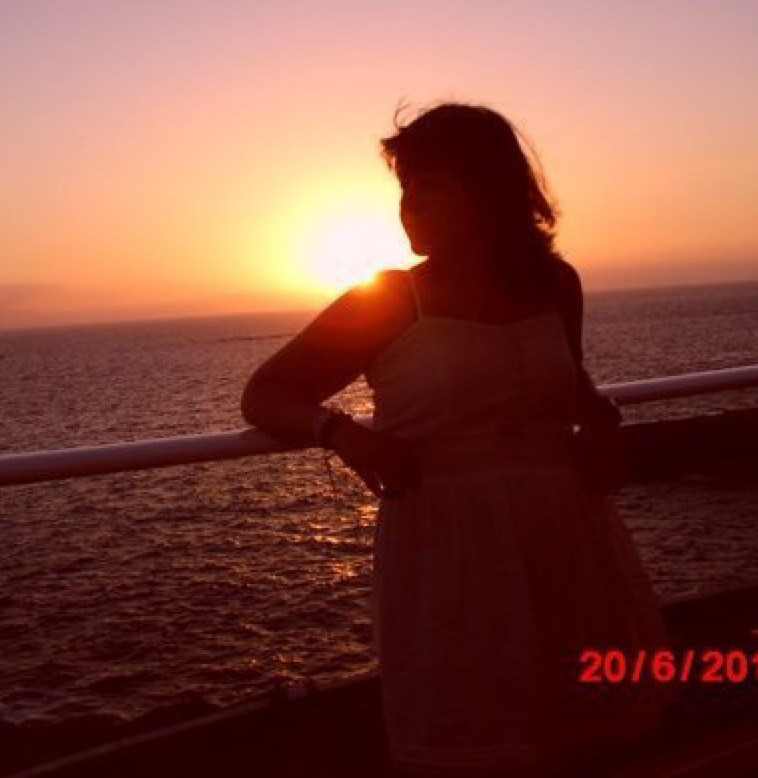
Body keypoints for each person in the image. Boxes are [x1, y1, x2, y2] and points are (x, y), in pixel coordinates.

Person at [241, 101, 670, 777]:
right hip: (450, 539)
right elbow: (266, 392)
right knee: (481, 724)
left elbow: (572, 383)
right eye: (404, 187)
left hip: (565, 525)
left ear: (486, 189)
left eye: (429, 185)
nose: (408, 204)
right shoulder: (387, 300)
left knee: (586, 727)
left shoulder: (555, 284)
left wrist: (603, 423)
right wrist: (342, 434)